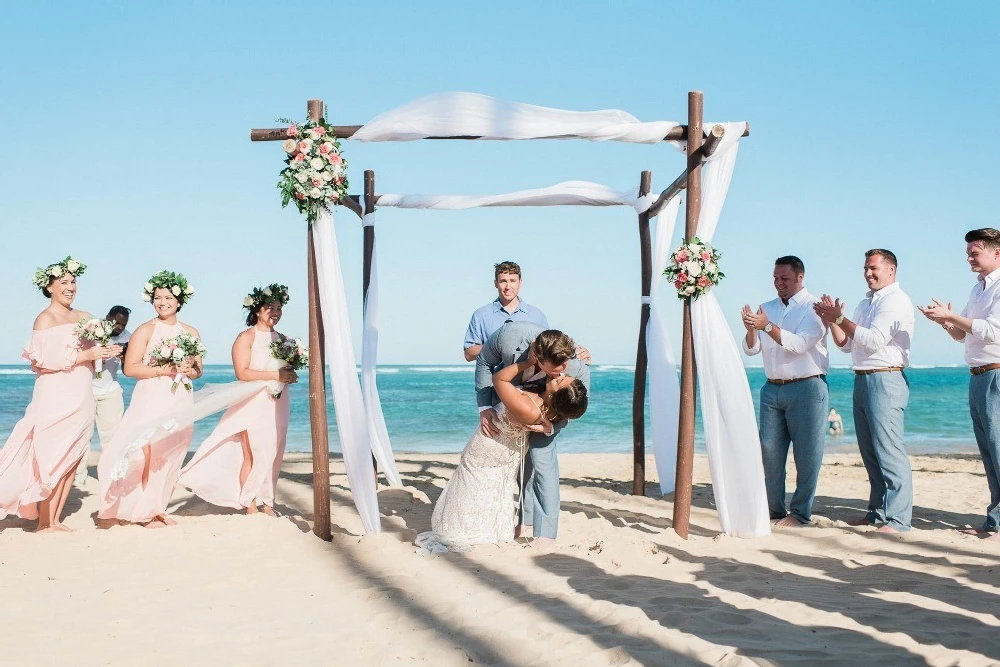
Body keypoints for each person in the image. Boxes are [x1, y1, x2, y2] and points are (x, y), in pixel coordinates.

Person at [417, 354, 588, 553]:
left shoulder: (530, 407)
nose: (560, 375)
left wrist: (529, 362)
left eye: (561, 382)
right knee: (491, 490)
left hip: (489, 447)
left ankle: (461, 529)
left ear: (554, 396)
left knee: (473, 485)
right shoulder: (553, 412)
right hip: (507, 453)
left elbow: (498, 379)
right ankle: (486, 529)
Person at [0, 257, 120, 532]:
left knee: (74, 454)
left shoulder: (83, 316)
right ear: (49, 287)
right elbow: (44, 361)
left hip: (82, 393)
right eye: (63, 282)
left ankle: (54, 519)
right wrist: (88, 354)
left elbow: (97, 346)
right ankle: (44, 522)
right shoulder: (45, 319)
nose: (70, 287)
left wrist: (106, 351)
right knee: (51, 453)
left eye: (73, 282)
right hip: (55, 394)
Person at [815, 249, 915, 533]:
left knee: (890, 451)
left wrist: (840, 319)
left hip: (886, 379)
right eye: (865, 269)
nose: (868, 274)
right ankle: (877, 513)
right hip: (862, 379)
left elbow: (873, 341)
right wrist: (832, 321)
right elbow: (847, 345)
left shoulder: (895, 302)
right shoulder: (865, 303)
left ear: (891, 270)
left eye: (874, 268)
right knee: (870, 453)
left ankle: (898, 520)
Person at [178, 284, 299, 516]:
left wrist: (289, 375)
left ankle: (268, 502)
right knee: (254, 453)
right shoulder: (246, 337)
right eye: (270, 307)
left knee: (274, 452)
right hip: (252, 403)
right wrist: (275, 375)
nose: (275, 312)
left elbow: (284, 369)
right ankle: (250, 502)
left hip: (279, 402)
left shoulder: (284, 339)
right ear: (256, 310)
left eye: (279, 307)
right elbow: (242, 373)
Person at [97, 271, 202, 528]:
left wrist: (190, 370)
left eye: (168, 297)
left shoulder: (191, 331)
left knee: (170, 454)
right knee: (143, 453)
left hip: (180, 399)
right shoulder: (146, 330)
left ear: (179, 301)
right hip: (151, 398)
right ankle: (140, 511)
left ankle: (156, 508)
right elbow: (130, 368)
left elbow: (199, 370)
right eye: (157, 297)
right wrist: (163, 370)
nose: (162, 302)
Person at [918, 228, 1000, 540]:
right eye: (968, 252)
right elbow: (963, 334)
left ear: (997, 253)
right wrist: (944, 321)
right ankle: (995, 521)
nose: (969, 257)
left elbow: (993, 331)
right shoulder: (977, 289)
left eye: (975, 251)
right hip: (978, 376)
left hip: (996, 373)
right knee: (990, 452)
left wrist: (953, 316)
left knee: (999, 449)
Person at [475, 323, 590, 544]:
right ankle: (524, 521)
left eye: (565, 363)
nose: (562, 370)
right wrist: (484, 407)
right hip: (512, 402)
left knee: (542, 464)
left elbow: (578, 405)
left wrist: (551, 427)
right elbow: (484, 361)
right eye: (555, 368)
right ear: (537, 356)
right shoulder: (508, 338)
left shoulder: (575, 366)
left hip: (549, 414)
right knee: (518, 468)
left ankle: (545, 534)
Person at [741, 255, 829, 528]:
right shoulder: (766, 307)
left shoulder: (815, 309)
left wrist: (766, 326)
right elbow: (751, 349)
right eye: (776, 278)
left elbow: (799, 344)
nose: (779, 283)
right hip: (772, 389)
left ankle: (800, 514)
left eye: (785, 278)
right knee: (769, 452)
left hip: (807, 388)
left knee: (807, 455)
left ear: (800, 277)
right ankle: (773, 510)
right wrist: (751, 331)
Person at [75, 305, 132, 487]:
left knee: (112, 436)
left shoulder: (127, 337)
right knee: (83, 435)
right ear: (107, 317)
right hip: (85, 390)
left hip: (110, 390)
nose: (119, 327)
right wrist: (103, 353)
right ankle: (78, 475)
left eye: (123, 325)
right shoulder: (92, 330)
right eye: (116, 322)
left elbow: (127, 369)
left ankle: (110, 474)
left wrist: (123, 355)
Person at [463, 261, 548, 362]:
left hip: (529, 377)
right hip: (491, 377)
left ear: (520, 283)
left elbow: (548, 351)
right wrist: (498, 343)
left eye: (512, 281)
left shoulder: (537, 315)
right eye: (503, 281)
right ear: (496, 284)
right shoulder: (480, 315)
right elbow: (469, 355)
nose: (508, 287)